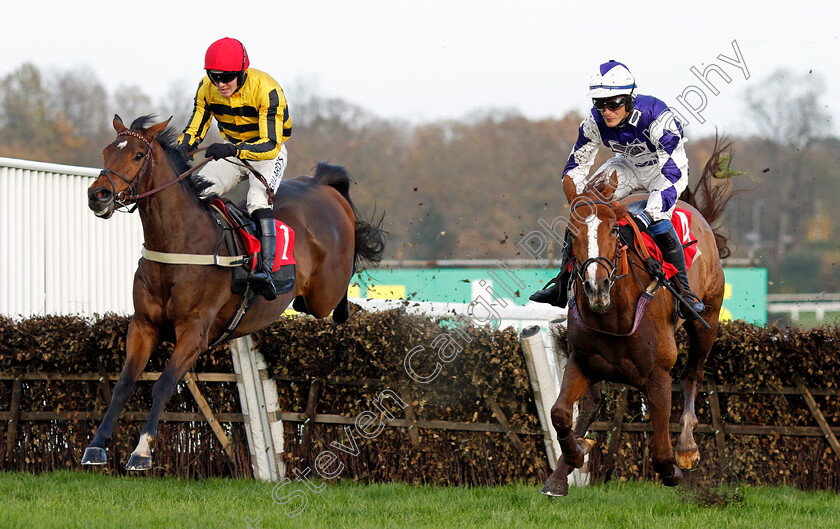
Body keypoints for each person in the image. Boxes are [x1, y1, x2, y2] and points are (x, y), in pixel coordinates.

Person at [530, 60, 704, 318]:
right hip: (628, 166)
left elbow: (673, 172)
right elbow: (576, 164)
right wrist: (577, 199)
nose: (606, 112)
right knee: (584, 213)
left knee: (657, 216)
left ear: (630, 98)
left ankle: (685, 291)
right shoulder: (593, 122)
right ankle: (563, 283)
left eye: (614, 104)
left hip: (664, 170)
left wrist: (645, 215)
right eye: (600, 104)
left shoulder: (657, 116)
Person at [177, 37, 293, 301]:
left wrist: (233, 149)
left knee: (256, 200)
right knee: (196, 191)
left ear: (242, 72)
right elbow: (195, 126)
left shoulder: (267, 90)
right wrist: (181, 148)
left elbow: (271, 146)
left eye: (227, 77)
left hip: (266, 153)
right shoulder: (206, 88)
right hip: (232, 149)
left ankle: (266, 270)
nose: (220, 84)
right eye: (214, 77)